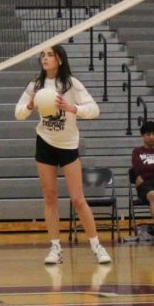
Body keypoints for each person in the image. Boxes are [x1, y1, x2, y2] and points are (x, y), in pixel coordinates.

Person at [16, 45, 112, 266]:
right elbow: (19, 113)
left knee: (78, 199)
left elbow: (94, 109)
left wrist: (73, 108)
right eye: (43, 55)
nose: (45, 58)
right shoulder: (36, 85)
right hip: (45, 143)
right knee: (50, 197)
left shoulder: (71, 83)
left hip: (68, 145)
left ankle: (97, 246)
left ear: (59, 58)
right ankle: (55, 248)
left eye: (50, 54)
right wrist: (29, 106)